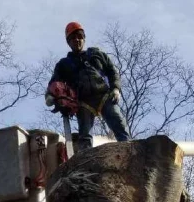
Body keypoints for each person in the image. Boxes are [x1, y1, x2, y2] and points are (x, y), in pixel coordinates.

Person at [46, 22, 131, 150]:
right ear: (68, 42)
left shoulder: (97, 54)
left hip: (104, 96)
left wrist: (116, 88)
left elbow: (112, 71)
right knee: (84, 136)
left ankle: (130, 151)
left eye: (79, 36)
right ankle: (87, 163)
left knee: (118, 122)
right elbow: (53, 83)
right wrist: (50, 96)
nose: (77, 40)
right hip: (83, 102)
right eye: (73, 38)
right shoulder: (64, 64)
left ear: (84, 38)